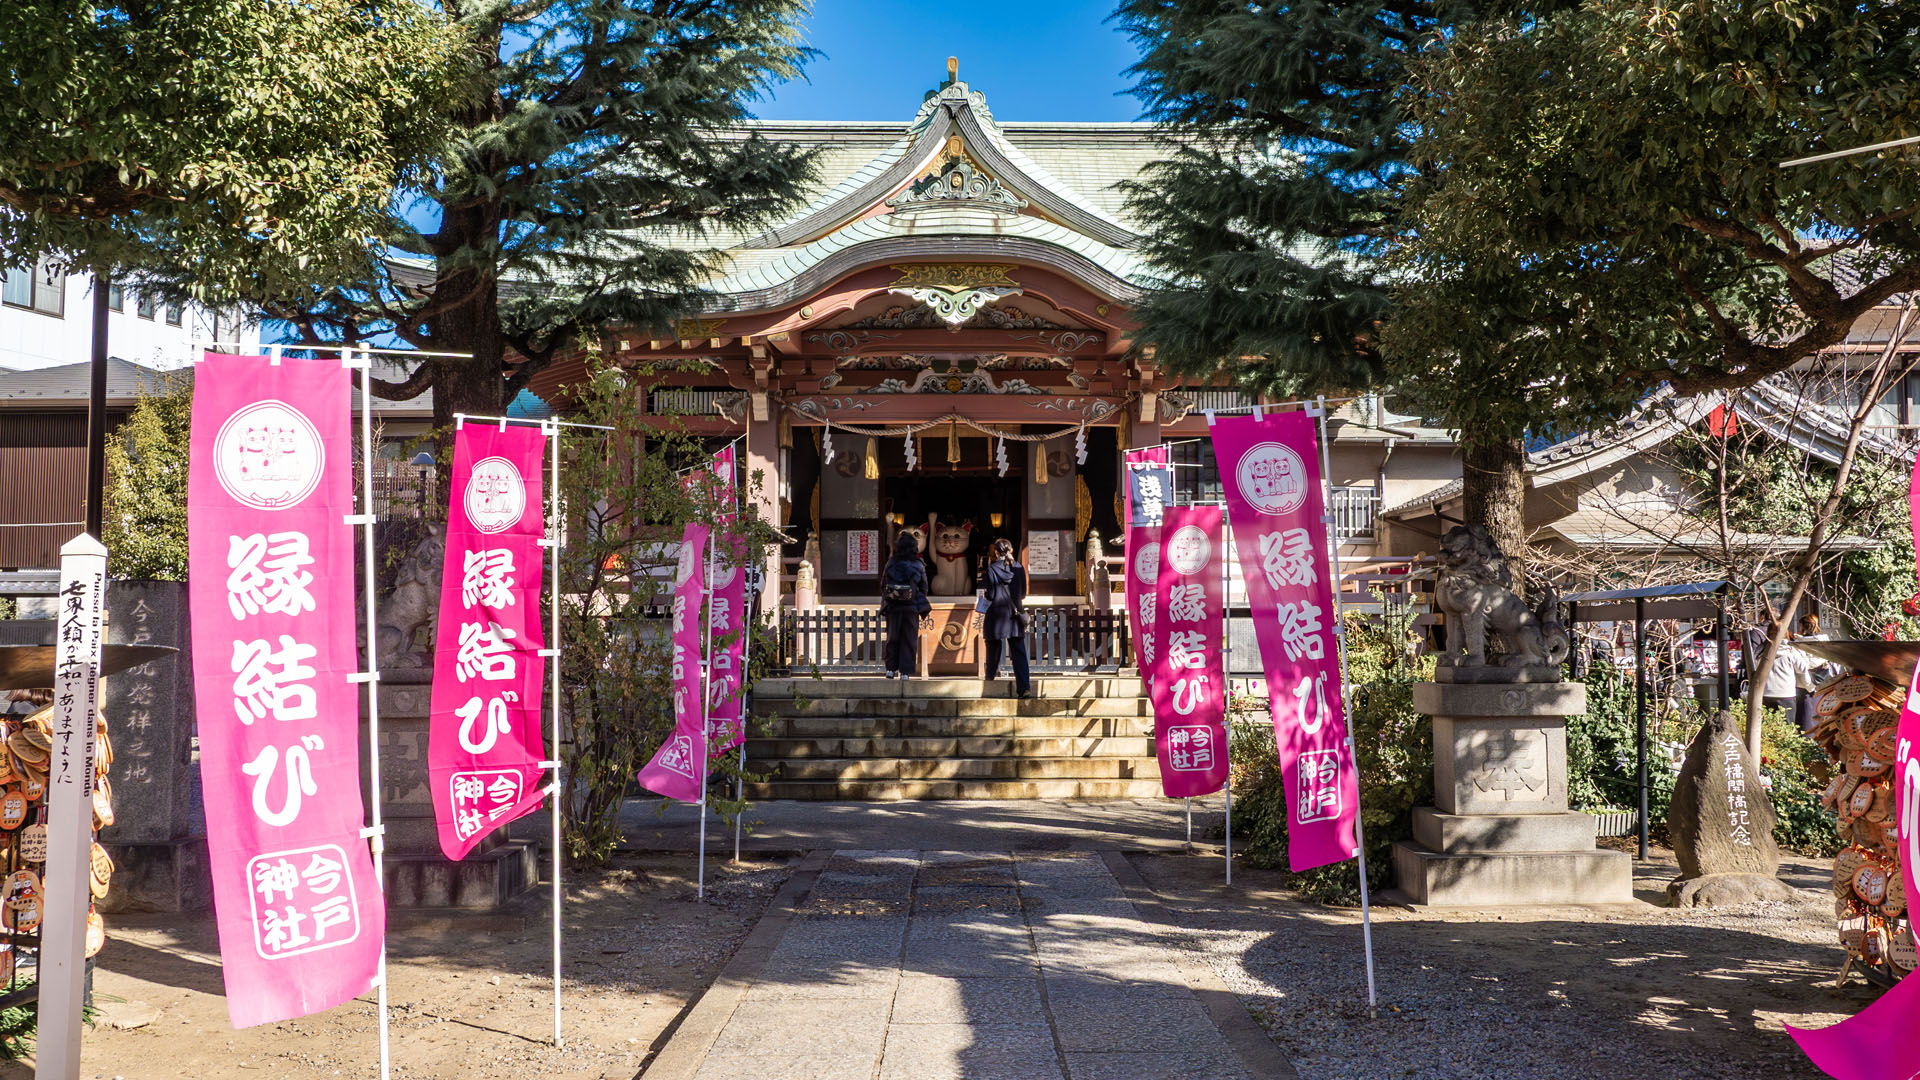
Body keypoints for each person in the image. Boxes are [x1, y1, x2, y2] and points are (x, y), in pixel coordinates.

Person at [982, 538, 1032, 698]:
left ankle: (989, 681)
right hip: (1014, 614)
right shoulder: (1019, 568)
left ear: (996, 552)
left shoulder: (992, 569)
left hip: (996, 615)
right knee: (1018, 651)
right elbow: (1023, 593)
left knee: (993, 647)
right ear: (1010, 550)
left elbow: (990, 594)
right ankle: (1024, 687)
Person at [880, 531, 930, 678]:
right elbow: (924, 587)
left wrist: (891, 597)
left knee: (892, 637)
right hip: (911, 607)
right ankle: (905, 672)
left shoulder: (891, 562)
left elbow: (883, 585)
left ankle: (890, 669)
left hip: (893, 607)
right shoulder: (918, 564)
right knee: (909, 639)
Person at [1760, 624, 1816, 732]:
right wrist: (1810, 688)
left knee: (1768, 728)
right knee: (1787, 728)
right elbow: (1802, 669)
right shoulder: (1790, 651)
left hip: (1765, 693)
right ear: (1785, 633)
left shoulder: (1762, 650)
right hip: (1786, 694)